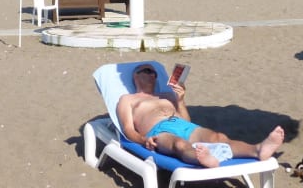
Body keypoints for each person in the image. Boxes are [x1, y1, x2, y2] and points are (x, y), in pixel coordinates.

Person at [116, 63, 284, 168]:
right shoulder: (128, 100)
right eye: (147, 71)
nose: (153, 75)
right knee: (180, 145)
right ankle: (201, 159)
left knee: (218, 136)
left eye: (155, 73)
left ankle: (257, 150)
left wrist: (180, 100)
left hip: (183, 124)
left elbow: (187, 121)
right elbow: (128, 129)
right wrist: (143, 140)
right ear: (135, 75)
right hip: (159, 130)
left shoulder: (166, 95)